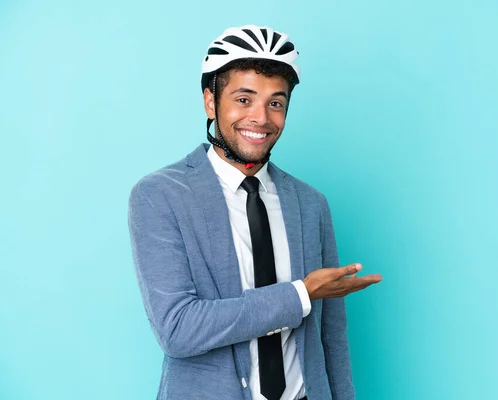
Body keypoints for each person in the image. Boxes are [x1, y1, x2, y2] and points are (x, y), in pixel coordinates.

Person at [128, 24, 382, 400]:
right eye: (244, 99)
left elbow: (332, 339)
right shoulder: (160, 196)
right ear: (210, 102)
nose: (261, 118)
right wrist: (300, 294)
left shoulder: (310, 204)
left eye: (275, 103)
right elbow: (178, 329)